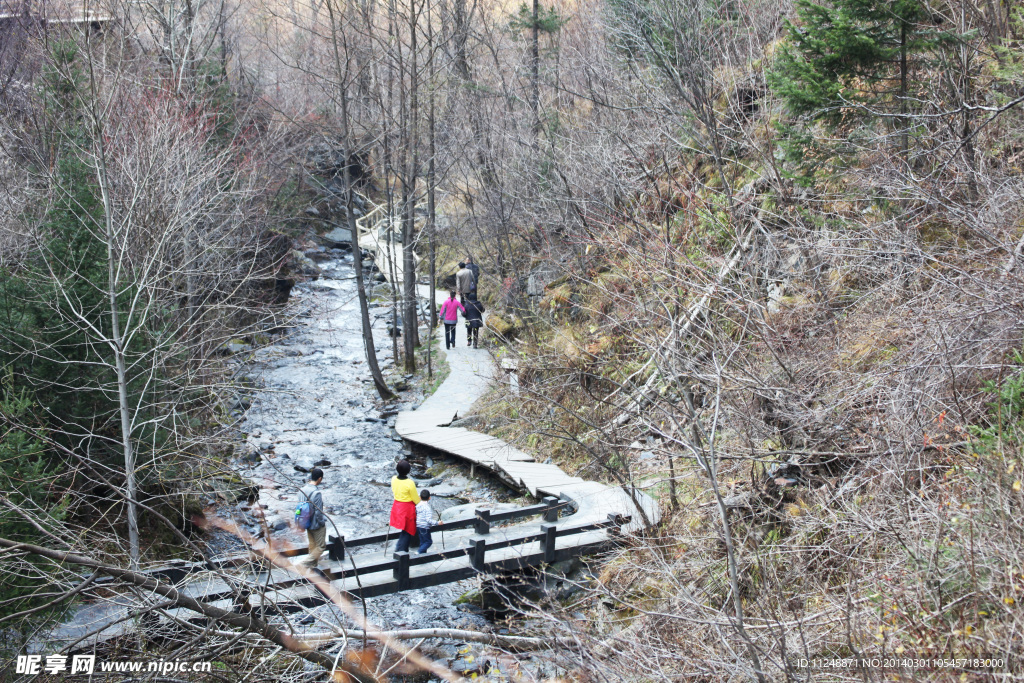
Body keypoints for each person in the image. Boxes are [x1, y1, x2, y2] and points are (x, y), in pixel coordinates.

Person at [298, 468, 327, 568]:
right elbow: (318, 513)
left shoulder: (302, 490)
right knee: (321, 547)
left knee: (312, 546)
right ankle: (302, 564)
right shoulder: (316, 493)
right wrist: (322, 523)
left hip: (306, 522)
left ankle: (312, 567)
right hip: (315, 524)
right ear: (319, 479)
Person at [389, 459, 420, 553]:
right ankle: (401, 550)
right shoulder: (410, 483)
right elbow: (415, 499)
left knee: (404, 528)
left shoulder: (393, 479)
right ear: (409, 471)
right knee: (408, 529)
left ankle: (401, 548)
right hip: (407, 508)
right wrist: (421, 503)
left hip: (397, 506)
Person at [415, 489, 440, 554]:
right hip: (425, 527)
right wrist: (437, 523)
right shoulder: (427, 508)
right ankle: (419, 552)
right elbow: (428, 520)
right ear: (429, 498)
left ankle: (422, 556)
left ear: (420, 497)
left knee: (422, 542)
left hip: (418, 526)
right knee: (428, 542)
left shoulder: (418, 506)